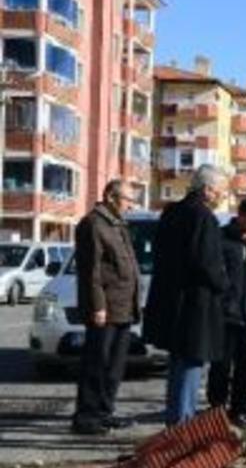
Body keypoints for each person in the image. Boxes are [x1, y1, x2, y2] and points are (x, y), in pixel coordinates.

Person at [143, 165, 230, 426]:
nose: (223, 196)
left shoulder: (171, 212)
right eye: (221, 191)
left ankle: (176, 422)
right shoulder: (203, 217)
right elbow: (207, 263)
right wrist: (224, 285)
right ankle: (182, 427)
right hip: (196, 304)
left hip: (172, 301)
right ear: (208, 190)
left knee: (178, 364)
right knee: (191, 365)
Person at [71, 180, 140, 435]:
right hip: (106, 309)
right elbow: (91, 271)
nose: (131, 205)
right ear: (111, 197)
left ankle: (104, 411)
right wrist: (98, 306)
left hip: (123, 307)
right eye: (128, 199)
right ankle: (86, 417)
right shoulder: (93, 224)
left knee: (114, 367)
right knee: (96, 364)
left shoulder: (117, 224)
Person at [207, 197, 246, 427]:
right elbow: (213, 271)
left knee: (245, 365)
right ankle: (217, 411)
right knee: (221, 365)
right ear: (240, 215)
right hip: (225, 314)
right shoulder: (222, 238)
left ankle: (239, 410)